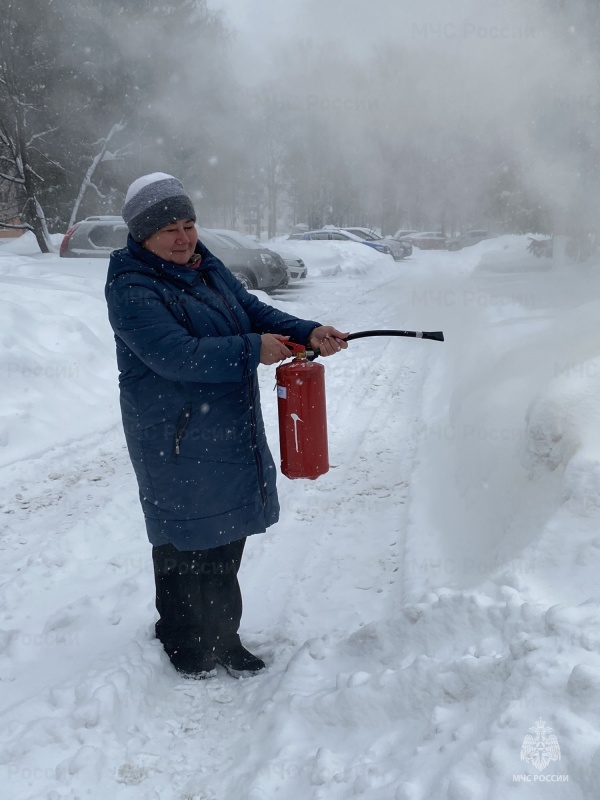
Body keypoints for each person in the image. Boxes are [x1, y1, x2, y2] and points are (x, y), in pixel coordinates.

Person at [105, 173, 348, 679]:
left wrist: (307, 330)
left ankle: (221, 635)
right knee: (184, 543)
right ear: (142, 236)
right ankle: (183, 642)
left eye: (189, 224)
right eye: (169, 228)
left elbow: (250, 309)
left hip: (224, 426)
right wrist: (250, 349)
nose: (183, 237)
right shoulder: (132, 286)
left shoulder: (204, 266)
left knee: (224, 539)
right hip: (172, 436)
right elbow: (176, 355)